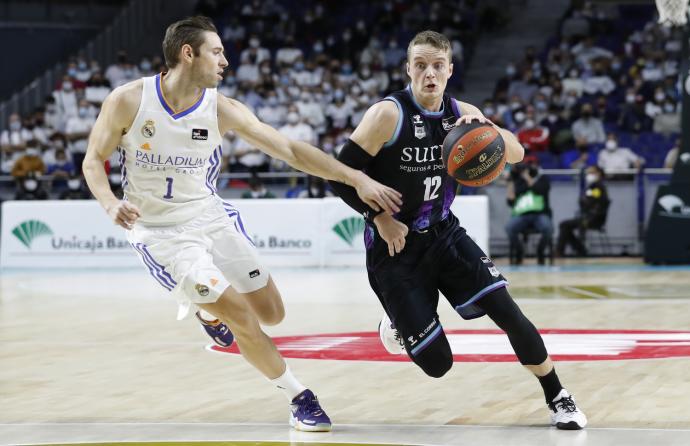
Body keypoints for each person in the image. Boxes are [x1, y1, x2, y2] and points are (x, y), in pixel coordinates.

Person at [82, 16, 402, 433]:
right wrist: (109, 204)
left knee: (272, 313)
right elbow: (93, 159)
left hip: (210, 218)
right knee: (239, 316)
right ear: (187, 53)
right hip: (162, 236)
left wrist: (354, 176)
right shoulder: (128, 100)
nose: (225, 61)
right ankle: (298, 396)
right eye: (217, 52)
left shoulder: (222, 109)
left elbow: (288, 149)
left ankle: (206, 313)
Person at [328, 30, 587, 430]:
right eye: (420, 65)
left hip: (445, 233)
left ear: (450, 69)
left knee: (509, 312)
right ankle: (398, 322)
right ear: (408, 69)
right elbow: (337, 176)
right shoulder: (387, 115)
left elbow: (516, 152)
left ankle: (558, 395)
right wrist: (378, 217)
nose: (429, 74)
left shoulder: (462, 112)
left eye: (437, 65)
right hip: (394, 246)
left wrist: (486, 128)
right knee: (438, 364)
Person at [505, 158, 553, 265]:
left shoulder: (543, 179)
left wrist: (528, 178)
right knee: (509, 228)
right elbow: (510, 201)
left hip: (539, 214)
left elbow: (539, 190)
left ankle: (540, 251)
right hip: (521, 215)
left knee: (548, 228)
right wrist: (510, 181)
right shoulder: (517, 181)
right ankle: (519, 251)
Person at [556, 166, 609, 257]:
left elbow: (592, 203)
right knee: (565, 226)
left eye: (591, 173)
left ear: (598, 174)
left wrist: (584, 200)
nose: (588, 175)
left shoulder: (598, 187)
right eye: (588, 173)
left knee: (564, 225)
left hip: (592, 219)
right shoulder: (592, 186)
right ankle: (580, 250)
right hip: (587, 217)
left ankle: (562, 251)